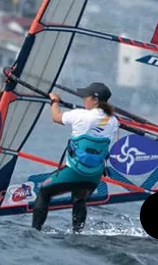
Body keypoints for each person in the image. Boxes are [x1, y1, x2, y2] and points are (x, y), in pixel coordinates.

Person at [31, 82, 120, 233]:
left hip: (74, 172)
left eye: (86, 97)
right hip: (93, 177)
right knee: (79, 197)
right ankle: (77, 233)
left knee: (44, 191)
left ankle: (35, 231)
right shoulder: (113, 121)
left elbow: (56, 117)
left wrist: (54, 101)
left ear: (95, 100)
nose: (84, 99)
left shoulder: (80, 115)